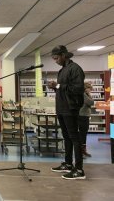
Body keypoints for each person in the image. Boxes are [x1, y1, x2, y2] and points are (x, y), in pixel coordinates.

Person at [48, 45, 85, 180]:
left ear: (64, 55)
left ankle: (79, 169)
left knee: (75, 138)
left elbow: (78, 89)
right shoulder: (63, 70)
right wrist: (54, 88)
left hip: (71, 109)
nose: (56, 61)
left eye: (57, 58)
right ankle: (68, 163)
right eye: (54, 59)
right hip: (62, 108)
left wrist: (57, 86)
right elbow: (63, 90)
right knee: (66, 137)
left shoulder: (75, 69)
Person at [79, 82, 94, 158]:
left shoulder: (85, 95)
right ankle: (81, 152)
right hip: (82, 116)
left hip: (84, 116)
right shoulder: (84, 95)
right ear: (86, 89)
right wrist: (89, 95)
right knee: (82, 134)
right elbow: (91, 102)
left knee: (84, 134)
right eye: (89, 89)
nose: (90, 91)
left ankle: (83, 151)